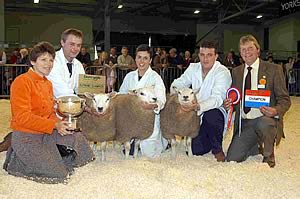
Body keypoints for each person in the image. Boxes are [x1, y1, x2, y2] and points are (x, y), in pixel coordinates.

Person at [3, 41, 94, 184]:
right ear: (33, 61)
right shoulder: (21, 82)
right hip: (26, 135)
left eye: (51, 60)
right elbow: (22, 118)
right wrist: (54, 125)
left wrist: (60, 125)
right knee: (58, 173)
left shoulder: (48, 84)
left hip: (46, 133)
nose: (48, 64)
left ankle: (53, 154)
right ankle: (17, 158)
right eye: (43, 59)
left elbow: (50, 112)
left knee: (78, 140)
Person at [225, 35, 291, 168]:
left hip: (265, 119)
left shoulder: (274, 70)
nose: (247, 52)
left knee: (264, 123)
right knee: (232, 158)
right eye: (243, 49)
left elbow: (285, 99)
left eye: (250, 48)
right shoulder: (236, 72)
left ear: (258, 50)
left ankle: (268, 154)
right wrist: (230, 103)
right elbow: (235, 97)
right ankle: (255, 145)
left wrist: (275, 110)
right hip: (245, 122)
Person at [170, 40, 232, 162]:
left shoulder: (222, 72)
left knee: (212, 115)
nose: (205, 59)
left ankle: (217, 149)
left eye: (209, 55)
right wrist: (180, 96)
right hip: (195, 115)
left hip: (214, 111)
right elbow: (177, 83)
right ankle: (205, 137)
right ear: (198, 55)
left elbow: (217, 98)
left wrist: (198, 106)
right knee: (196, 150)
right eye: (202, 55)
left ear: (216, 56)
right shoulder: (193, 67)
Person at [119, 44, 168, 158]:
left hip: (148, 120)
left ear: (150, 60)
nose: (142, 61)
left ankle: (164, 142)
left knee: (149, 154)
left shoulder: (155, 78)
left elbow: (161, 100)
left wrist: (151, 106)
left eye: (145, 58)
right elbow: (121, 95)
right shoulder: (129, 76)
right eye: (139, 57)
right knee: (129, 151)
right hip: (132, 119)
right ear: (135, 58)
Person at [47, 28, 85, 98]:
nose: (75, 48)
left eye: (78, 45)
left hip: (70, 105)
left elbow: (81, 90)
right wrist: (82, 101)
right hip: (50, 105)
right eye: (72, 44)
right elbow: (61, 92)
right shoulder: (52, 61)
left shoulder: (79, 65)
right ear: (62, 43)